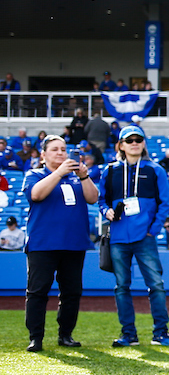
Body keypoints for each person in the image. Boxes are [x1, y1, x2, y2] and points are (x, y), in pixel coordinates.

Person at [97, 125, 169, 347]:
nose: (134, 143)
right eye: (129, 140)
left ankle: (161, 333)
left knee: (156, 286)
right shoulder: (110, 171)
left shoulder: (155, 170)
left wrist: (153, 229)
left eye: (138, 139)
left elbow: (166, 203)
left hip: (145, 238)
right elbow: (101, 200)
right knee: (122, 286)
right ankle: (128, 334)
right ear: (121, 145)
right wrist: (106, 211)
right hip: (118, 239)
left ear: (143, 143)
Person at [20, 136, 97, 351]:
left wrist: (84, 176)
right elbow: (36, 195)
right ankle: (36, 337)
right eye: (54, 149)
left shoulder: (75, 178)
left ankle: (66, 335)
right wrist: (59, 173)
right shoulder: (34, 175)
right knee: (37, 292)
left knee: (72, 292)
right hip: (43, 244)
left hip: (74, 244)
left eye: (64, 149)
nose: (61, 153)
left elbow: (93, 198)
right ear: (43, 155)